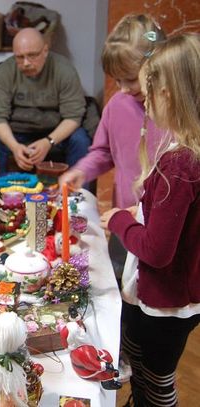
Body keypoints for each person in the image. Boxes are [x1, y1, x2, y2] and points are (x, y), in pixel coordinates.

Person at [100, 33, 200, 406]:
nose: (143, 104)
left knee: (157, 380)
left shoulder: (180, 164)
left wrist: (118, 220)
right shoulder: (187, 154)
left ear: (167, 95)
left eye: (147, 95)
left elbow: (157, 251)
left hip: (167, 303)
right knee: (140, 364)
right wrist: (141, 213)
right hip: (174, 297)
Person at [60, 14, 166, 280]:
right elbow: (103, 151)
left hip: (163, 225)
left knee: (152, 286)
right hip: (124, 220)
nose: (124, 88)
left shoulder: (174, 113)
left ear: (158, 65)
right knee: (117, 276)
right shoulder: (117, 105)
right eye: (117, 80)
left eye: (130, 79)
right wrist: (82, 170)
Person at [0, 27, 91, 174]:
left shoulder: (64, 70)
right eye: (19, 57)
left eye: (32, 55)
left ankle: (75, 187)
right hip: (17, 131)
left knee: (80, 140)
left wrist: (49, 141)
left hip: (55, 131)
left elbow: (73, 116)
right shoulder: (5, 71)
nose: (26, 63)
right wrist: (14, 147)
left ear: (45, 50)